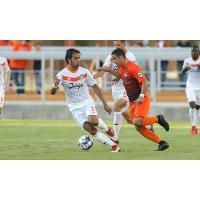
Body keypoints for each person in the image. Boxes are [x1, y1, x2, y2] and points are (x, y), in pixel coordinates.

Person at [98, 48, 170, 151]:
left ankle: (158, 119)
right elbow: (121, 75)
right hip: (132, 101)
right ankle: (161, 143)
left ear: (121, 57)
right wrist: (108, 70)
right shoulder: (120, 66)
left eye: (115, 59)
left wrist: (141, 96)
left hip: (142, 98)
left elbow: (144, 82)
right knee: (138, 126)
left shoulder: (133, 67)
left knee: (137, 121)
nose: (113, 61)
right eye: (112, 59)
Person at [51, 48, 120, 152]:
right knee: (90, 129)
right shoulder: (61, 75)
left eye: (79, 58)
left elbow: (95, 87)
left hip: (86, 102)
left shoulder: (84, 72)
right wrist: (55, 86)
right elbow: (53, 92)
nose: (78, 60)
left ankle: (107, 129)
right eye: (75, 58)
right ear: (69, 60)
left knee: (93, 121)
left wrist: (105, 104)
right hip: (74, 107)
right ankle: (114, 146)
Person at [93, 40, 137, 140]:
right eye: (115, 45)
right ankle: (149, 125)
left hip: (128, 87)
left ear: (124, 43)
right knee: (129, 118)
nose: (116, 46)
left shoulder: (131, 56)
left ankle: (114, 137)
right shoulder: (111, 56)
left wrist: (119, 76)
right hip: (116, 89)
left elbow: (132, 73)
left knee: (116, 106)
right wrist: (89, 78)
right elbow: (102, 72)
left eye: (118, 44)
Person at [182, 45, 200, 136]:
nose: (193, 53)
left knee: (198, 107)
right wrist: (186, 68)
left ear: (198, 52)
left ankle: (196, 125)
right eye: (192, 51)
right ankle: (193, 126)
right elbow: (182, 72)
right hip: (190, 86)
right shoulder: (187, 60)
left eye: (195, 51)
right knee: (192, 105)